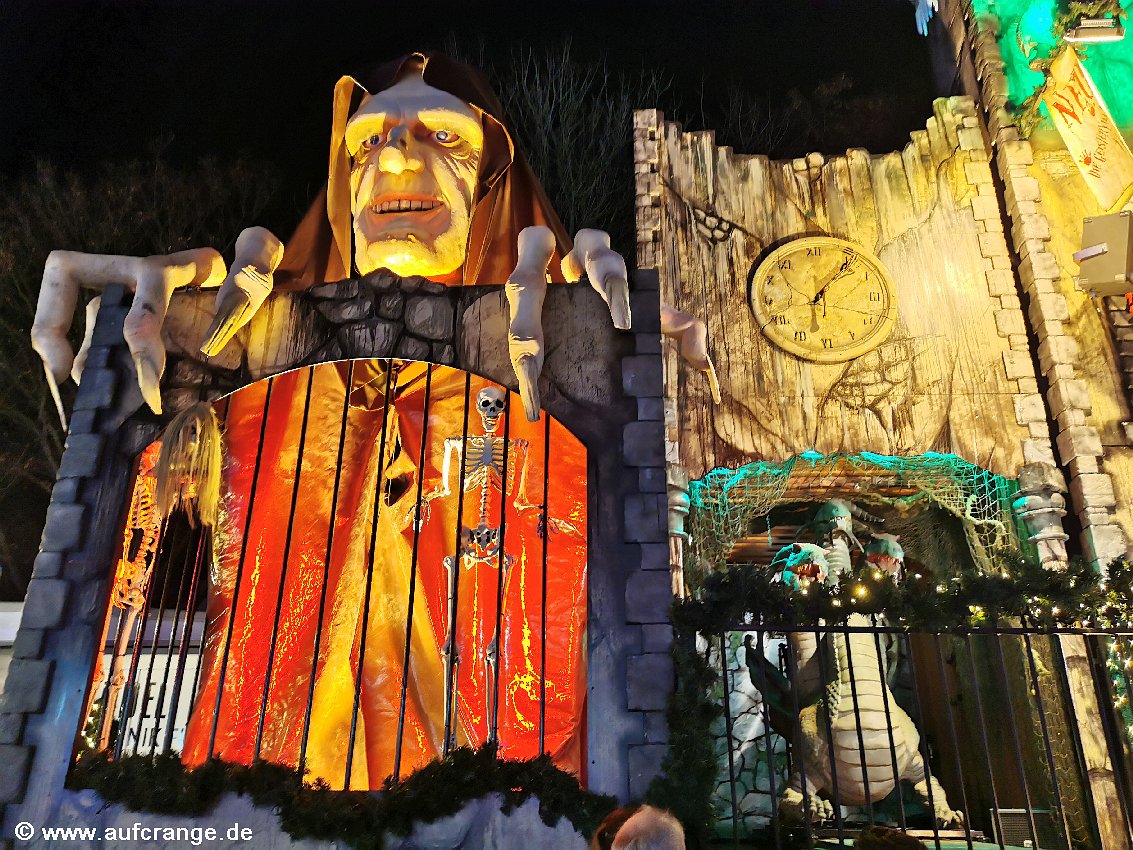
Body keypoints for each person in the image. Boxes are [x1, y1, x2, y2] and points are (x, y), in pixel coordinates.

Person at [180, 53, 597, 789]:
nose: (396, 157)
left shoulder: (523, 336)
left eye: (444, 135)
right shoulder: (290, 359)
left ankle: (492, 787)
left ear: (491, 177)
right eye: (367, 141)